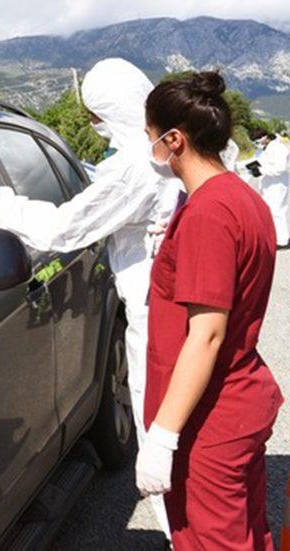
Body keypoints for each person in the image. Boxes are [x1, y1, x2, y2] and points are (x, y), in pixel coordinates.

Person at [0, 57, 175, 538]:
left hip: (156, 318)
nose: (94, 126)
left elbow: (65, 228)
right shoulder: (162, 152)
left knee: (166, 450)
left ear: (108, 110)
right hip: (168, 311)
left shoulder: (134, 168)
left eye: (94, 115)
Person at [136, 71, 284, 550]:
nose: (151, 148)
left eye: (151, 137)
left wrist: (163, 436)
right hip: (236, 402)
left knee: (214, 541)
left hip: (209, 418)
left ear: (174, 139)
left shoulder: (209, 213)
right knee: (246, 532)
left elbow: (207, 335)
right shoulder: (238, 196)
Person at [257, 132, 290, 248]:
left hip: (278, 185)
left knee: (278, 211)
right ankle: (273, 237)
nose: (257, 141)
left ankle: (283, 241)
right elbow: (256, 161)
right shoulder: (263, 149)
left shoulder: (279, 148)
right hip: (267, 185)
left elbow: (280, 168)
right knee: (269, 211)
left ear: (267, 137)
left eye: (258, 138)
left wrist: (262, 170)